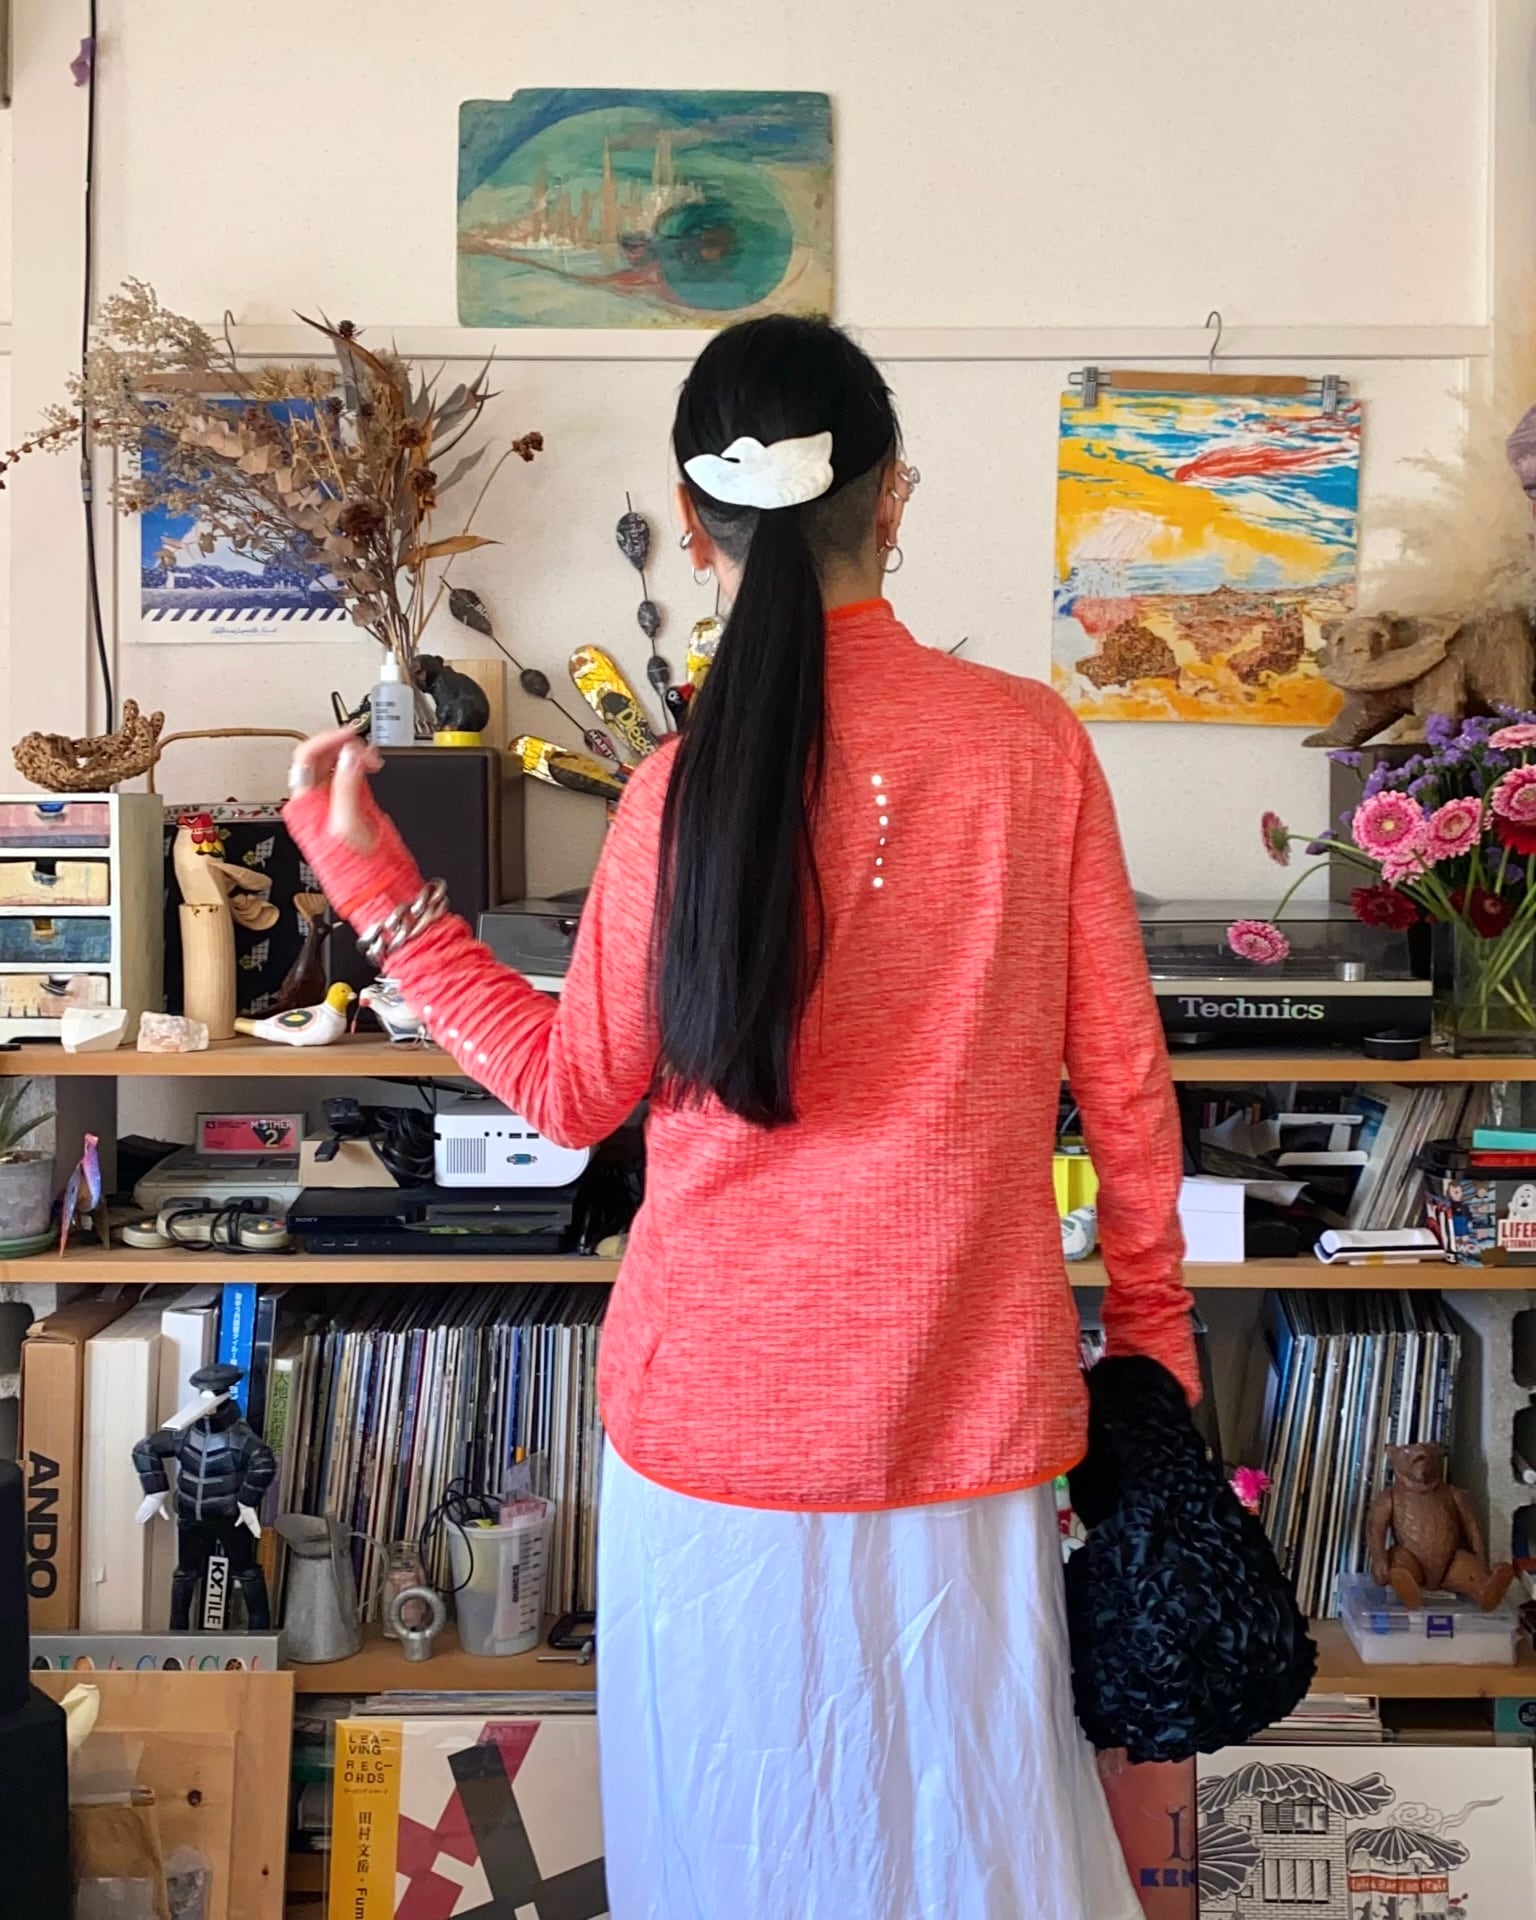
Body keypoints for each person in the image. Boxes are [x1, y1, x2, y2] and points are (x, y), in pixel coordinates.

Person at [284, 315, 1197, 1920]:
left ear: (694, 529)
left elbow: (570, 1094)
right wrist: (1156, 1356)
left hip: (712, 1441)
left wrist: (380, 893)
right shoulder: (1030, 750)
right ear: (893, 496)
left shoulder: (676, 794)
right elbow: (1125, 1086)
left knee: (738, 1856)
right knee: (972, 1855)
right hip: (970, 1424)